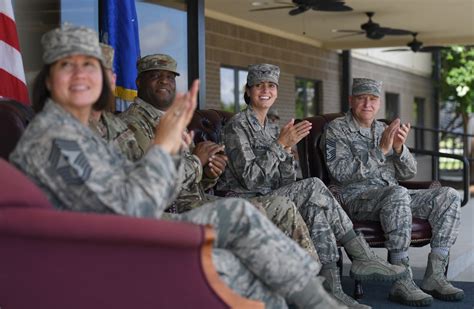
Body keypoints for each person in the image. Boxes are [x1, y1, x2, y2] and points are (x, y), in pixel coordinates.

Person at [9, 24, 342, 308]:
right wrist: (164, 149)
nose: (81, 74)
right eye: (67, 65)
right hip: (105, 251)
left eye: (90, 66)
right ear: (49, 81)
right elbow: (131, 208)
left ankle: (318, 300)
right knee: (245, 258)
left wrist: (177, 156)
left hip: (127, 231)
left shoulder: (79, 132)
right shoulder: (54, 138)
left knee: (242, 222)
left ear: (106, 79)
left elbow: (134, 193)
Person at [217, 63, 407, 309]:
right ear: (248, 90)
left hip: (271, 197)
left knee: (316, 207)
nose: (266, 90)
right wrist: (280, 146)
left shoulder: (272, 127)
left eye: (271, 86)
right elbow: (251, 178)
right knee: (315, 186)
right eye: (259, 85)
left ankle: (332, 289)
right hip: (246, 200)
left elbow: (285, 182)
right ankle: (360, 255)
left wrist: (286, 151)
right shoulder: (238, 125)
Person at [119, 53, 320, 261]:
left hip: (199, 199)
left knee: (310, 200)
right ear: (139, 82)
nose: (164, 81)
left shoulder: (172, 121)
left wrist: (209, 171)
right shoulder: (131, 124)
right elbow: (151, 182)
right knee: (266, 209)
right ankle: (299, 283)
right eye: (155, 76)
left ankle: (314, 278)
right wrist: (198, 162)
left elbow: (197, 180)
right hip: (170, 209)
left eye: (170, 77)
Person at [322, 77, 464, 306]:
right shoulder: (336, 129)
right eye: (361, 98)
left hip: (392, 195)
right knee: (397, 193)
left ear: (379, 103)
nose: (367, 104)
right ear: (351, 100)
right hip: (356, 199)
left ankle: (435, 276)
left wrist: (398, 149)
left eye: (373, 99)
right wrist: (380, 151)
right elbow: (339, 172)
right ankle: (402, 280)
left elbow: (409, 172)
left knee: (448, 195)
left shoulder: (383, 128)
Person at [88, 43, 143, 161]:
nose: (94, 81)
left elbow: (139, 171)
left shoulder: (116, 125)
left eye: (101, 74)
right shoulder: (59, 127)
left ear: (113, 81)